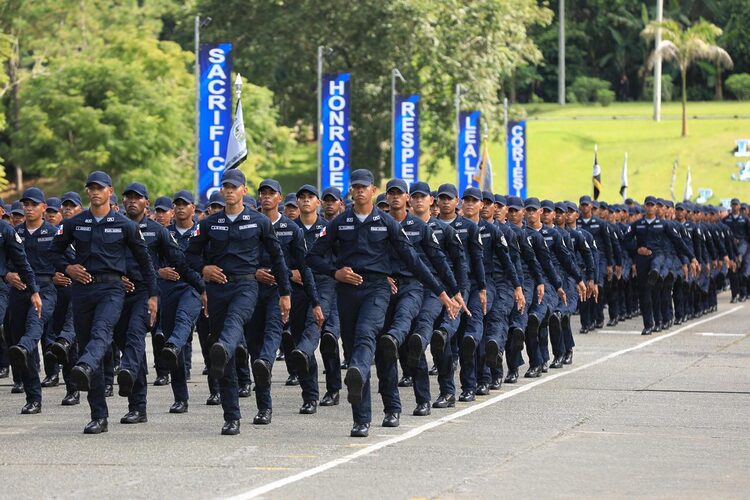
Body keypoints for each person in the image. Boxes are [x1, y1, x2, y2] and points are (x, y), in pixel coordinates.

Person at [307, 169, 459, 438]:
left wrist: (442, 293)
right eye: (356, 187)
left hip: (378, 290)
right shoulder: (339, 223)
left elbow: (414, 261)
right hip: (347, 290)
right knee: (357, 348)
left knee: (368, 340)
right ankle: (361, 419)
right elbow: (312, 257)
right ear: (351, 191)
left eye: (365, 186)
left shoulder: (387, 224)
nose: (360, 190)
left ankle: (389, 406)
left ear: (373, 190)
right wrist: (335, 272)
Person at [49, 171, 159, 434]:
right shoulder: (76, 223)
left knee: (102, 334)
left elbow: (145, 263)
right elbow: (53, 252)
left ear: (110, 191)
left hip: (113, 289)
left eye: (100, 187)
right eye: (91, 188)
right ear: (87, 192)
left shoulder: (124, 225)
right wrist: (68, 267)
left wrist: (153, 297)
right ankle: (98, 415)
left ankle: (132, 402)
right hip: (83, 289)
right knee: (90, 344)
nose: (95, 192)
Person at [185, 169, 291, 435]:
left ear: (244, 190)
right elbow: (189, 258)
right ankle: (231, 416)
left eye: (234, 187)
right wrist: (203, 270)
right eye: (226, 187)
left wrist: (285, 293)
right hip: (218, 286)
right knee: (227, 359)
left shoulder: (258, 222)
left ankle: (264, 406)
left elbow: (278, 259)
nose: (229, 191)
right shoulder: (210, 223)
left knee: (237, 332)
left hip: (247, 284)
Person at [244, 179, 321, 424]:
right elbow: (240, 259)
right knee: (255, 347)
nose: (266, 197)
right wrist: (254, 272)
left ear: (280, 198)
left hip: (288, 294)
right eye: (262, 193)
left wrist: (315, 301)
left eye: (271, 193)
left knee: (296, 343)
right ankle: (264, 407)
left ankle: (310, 395)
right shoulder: (250, 225)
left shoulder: (291, 229)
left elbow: (304, 267)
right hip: (255, 290)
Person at [291, 184, 341, 411]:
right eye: (301, 197)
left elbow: (340, 257)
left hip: (325, 284)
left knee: (324, 338)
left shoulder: (329, 228)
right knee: (302, 338)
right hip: (297, 286)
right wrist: (290, 273)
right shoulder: (290, 229)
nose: (305, 201)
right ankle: (309, 395)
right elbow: (279, 257)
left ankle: (333, 389)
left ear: (317, 202)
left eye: (310, 197)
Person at [157, 190, 205, 414]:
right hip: (169, 289)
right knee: (171, 345)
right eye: (177, 205)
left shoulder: (203, 231)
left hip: (194, 287)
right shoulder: (163, 232)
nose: (180, 208)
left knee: (184, 323)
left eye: (184, 204)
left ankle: (215, 389)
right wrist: (160, 272)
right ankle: (180, 398)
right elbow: (149, 262)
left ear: (193, 208)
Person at [5, 188, 46, 414]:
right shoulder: (14, 232)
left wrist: (63, 272)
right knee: (23, 346)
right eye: (25, 205)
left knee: (32, 332)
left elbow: (67, 258)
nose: (28, 209)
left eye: (33, 204)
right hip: (19, 291)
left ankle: (72, 387)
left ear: (43, 207)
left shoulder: (55, 232)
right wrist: (6, 275)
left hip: (45, 291)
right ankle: (34, 398)